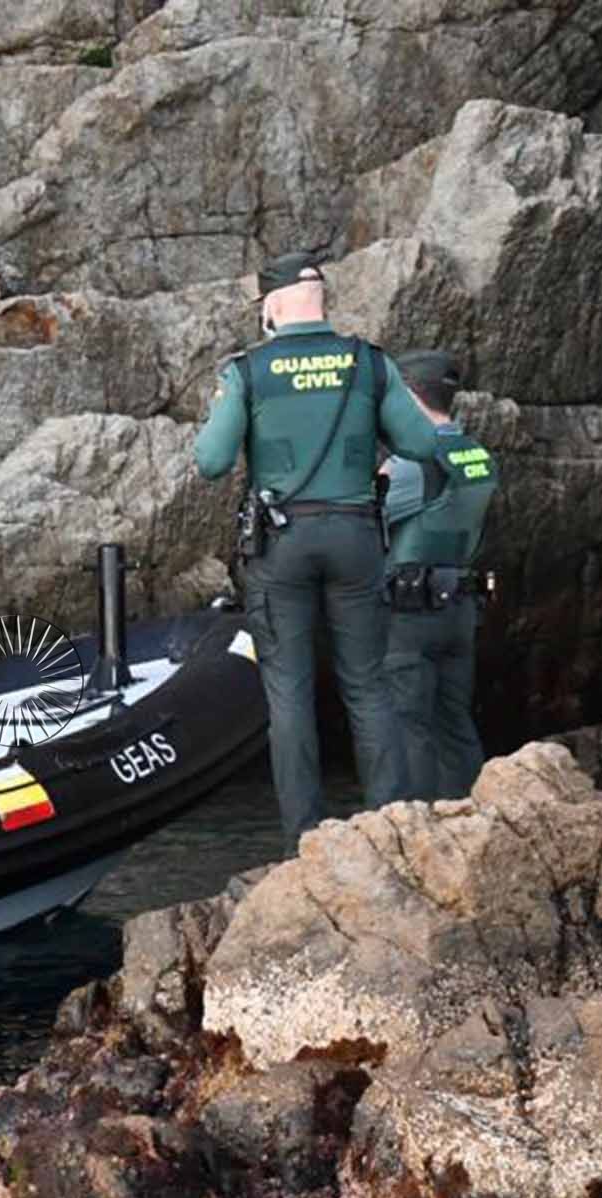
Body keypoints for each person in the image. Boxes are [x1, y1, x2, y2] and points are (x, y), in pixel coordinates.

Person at [192, 251, 441, 851]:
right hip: (357, 535)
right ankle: (392, 826)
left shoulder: (248, 371)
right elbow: (422, 440)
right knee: (368, 685)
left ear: (273, 306)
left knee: (289, 693)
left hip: (282, 543)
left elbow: (211, 462)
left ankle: (305, 840)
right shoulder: (368, 362)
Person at [380, 350, 498, 801]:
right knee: (455, 723)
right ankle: (470, 822)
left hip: (410, 615)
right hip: (460, 608)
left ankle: (414, 834)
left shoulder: (413, 463)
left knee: (408, 724)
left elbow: (362, 521)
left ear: (409, 396)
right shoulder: (478, 455)